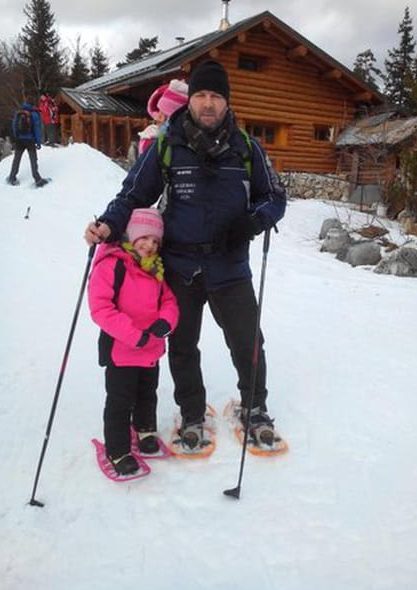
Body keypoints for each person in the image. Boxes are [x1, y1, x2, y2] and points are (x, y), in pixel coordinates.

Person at [85, 60, 287, 451]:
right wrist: (108, 224)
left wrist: (253, 222)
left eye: (216, 96)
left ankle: (254, 406)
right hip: (180, 267)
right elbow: (133, 195)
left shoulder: (246, 148)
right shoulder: (166, 145)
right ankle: (192, 412)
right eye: (201, 95)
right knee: (181, 346)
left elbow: (274, 197)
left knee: (247, 341)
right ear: (189, 100)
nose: (208, 103)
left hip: (230, 265)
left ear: (227, 102)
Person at [88, 208, 179, 475]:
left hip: (150, 348)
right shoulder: (113, 264)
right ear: (131, 234)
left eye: (155, 241)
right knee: (120, 401)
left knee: (147, 394)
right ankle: (118, 450)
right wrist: (133, 335)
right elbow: (101, 308)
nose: (149, 245)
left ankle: (145, 429)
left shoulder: (155, 269)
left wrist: (166, 321)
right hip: (122, 350)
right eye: (145, 237)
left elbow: (169, 300)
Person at [138, 78, 188, 156]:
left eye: (165, 115)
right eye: (159, 111)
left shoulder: (186, 143)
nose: (158, 117)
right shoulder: (151, 137)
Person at [7, 98, 48, 187]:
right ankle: (37, 179)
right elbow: (37, 129)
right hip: (30, 140)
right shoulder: (34, 114)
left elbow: (14, 126)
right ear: (33, 105)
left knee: (17, 159)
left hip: (19, 140)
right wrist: (38, 142)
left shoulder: (18, 113)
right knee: (33, 159)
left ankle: (12, 177)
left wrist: (16, 137)